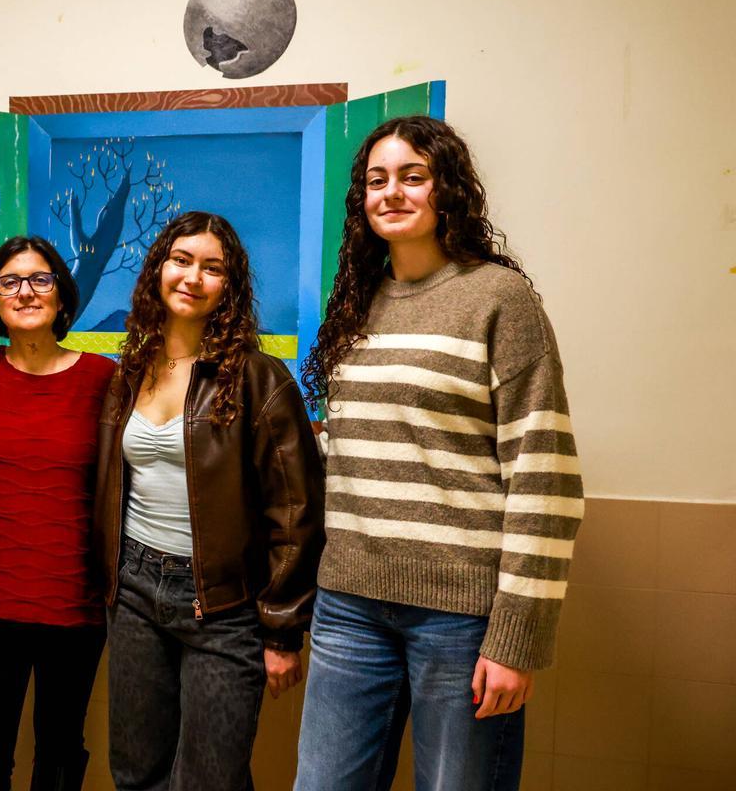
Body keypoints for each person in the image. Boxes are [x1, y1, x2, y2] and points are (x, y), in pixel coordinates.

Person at [294, 115, 583, 791]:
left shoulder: (499, 299)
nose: (390, 193)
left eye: (412, 176)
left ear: (446, 187)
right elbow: (350, 447)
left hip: (460, 618)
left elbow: (546, 477)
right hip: (347, 604)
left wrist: (516, 638)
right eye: (375, 180)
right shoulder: (356, 305)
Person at [94, 210, 325, 791]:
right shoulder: (130, 370)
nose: (193, 277)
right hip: (136, 593)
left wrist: (281, 630)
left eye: (212, 268)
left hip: (224, 607)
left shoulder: (259, 379)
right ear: (158, 271)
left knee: (210, 780)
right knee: (136, 773)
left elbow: (295, 511)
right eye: (181, 260)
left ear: (230, 286)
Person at [0, 236, 115, 791]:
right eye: (9, 281)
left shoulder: (105, 380)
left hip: (74, 604)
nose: (26, 291)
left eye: (41, 279)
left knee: (61, 757)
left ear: (63, 297)